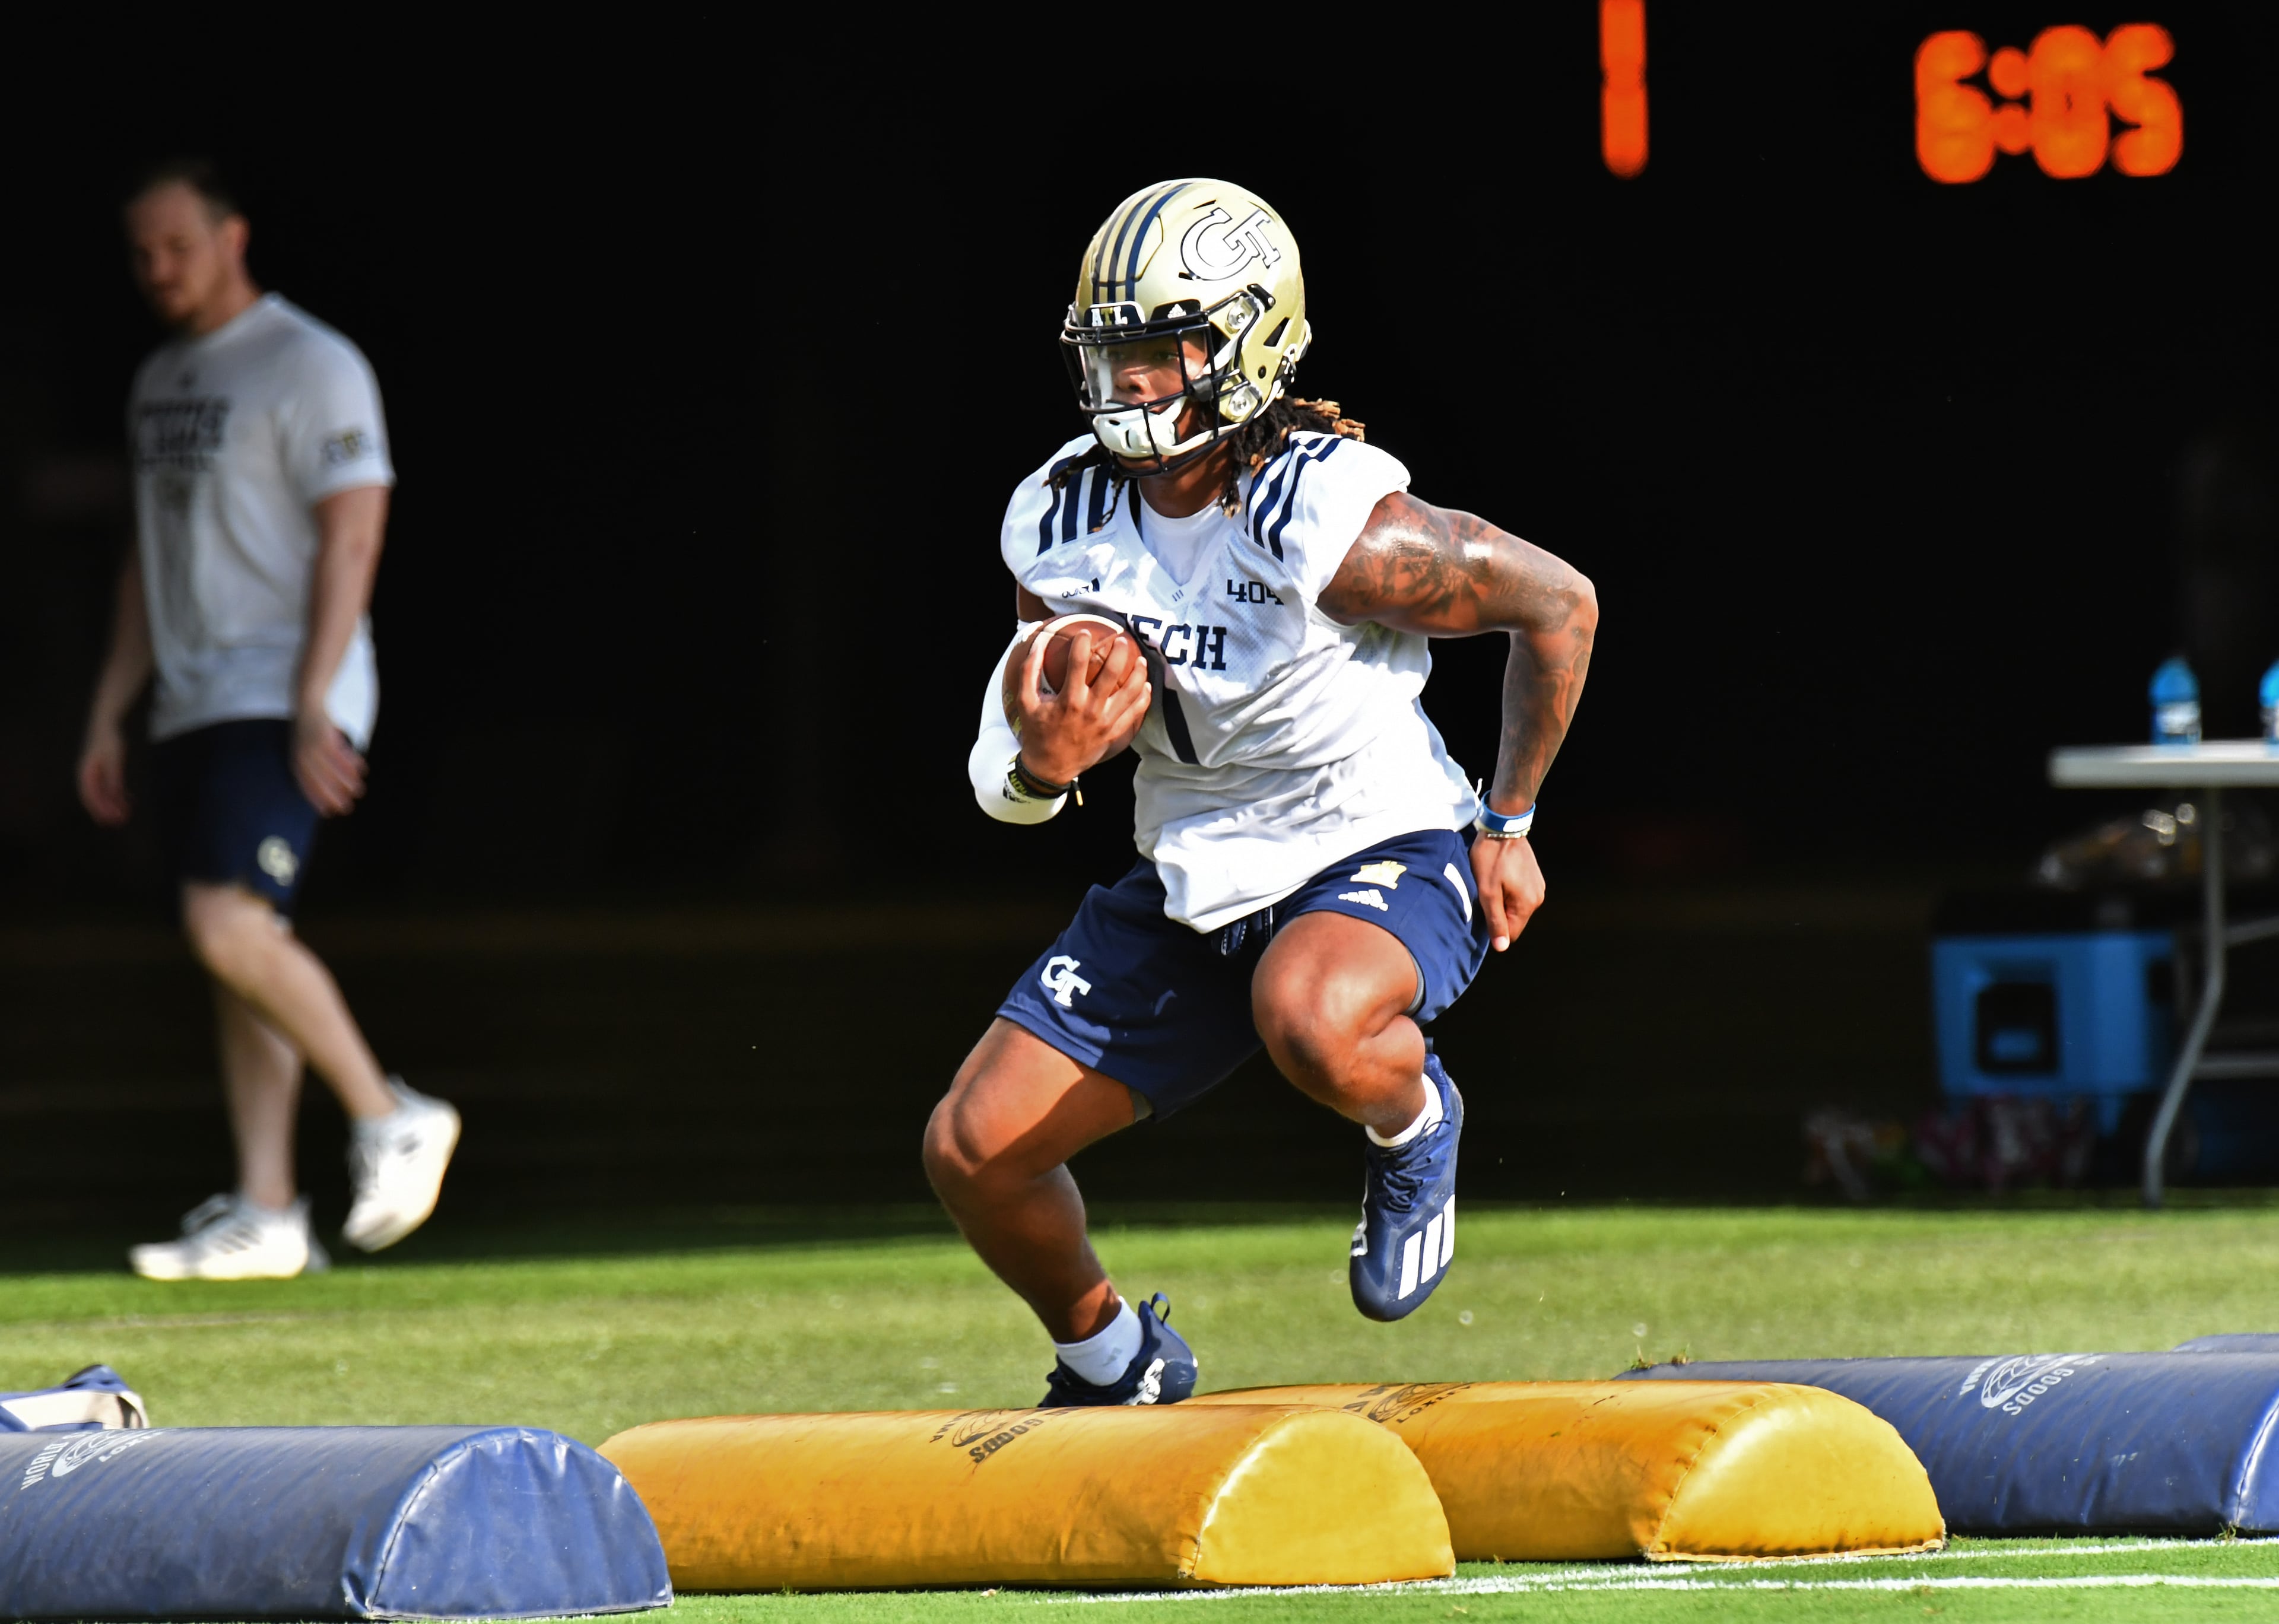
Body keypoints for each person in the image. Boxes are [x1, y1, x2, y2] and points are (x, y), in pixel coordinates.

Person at [925, 179, 1598, 1404]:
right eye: (1112, 350)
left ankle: (1412, 1118)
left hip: (1373, 837)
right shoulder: (1059, 517)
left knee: (1312, 1011)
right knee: (975, 1150)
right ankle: (1113, 1360)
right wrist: (1044, 763)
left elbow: (1558, 603)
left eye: (1161, 348)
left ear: (1247, 344)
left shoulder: (1329, 518)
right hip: (1194, 867)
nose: (1129, 380)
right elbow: (1002, 769)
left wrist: (1510, 820)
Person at [77, 159, 459, 1280]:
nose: (159, 270)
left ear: (232, 236)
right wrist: (110, 707)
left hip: (282, 687)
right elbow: (152, 560)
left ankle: (389, 1110)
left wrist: (312, 695)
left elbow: (356, 529)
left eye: (177, 247)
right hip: (195, 695)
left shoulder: (310, 360)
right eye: (141, 254)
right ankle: (269, 1209)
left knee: (227, 925)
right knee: (241, 950)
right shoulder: (158, 380)